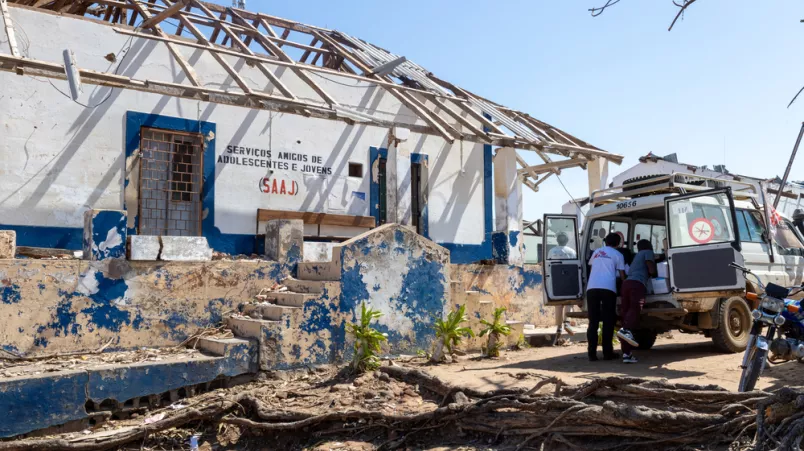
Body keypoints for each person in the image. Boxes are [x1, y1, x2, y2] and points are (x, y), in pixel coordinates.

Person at [586, 233, 626, 361]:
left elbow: (592, 268)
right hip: (608, 288)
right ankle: (607, 353)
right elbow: (622, 274)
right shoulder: (618, 255)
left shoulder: (597, 252)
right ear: (619, 243)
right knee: (608, 321)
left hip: (592, 288)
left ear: (605, 241)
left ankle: (591, 354)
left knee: (593, 322)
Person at [617, 239, 657, 364]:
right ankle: (625, 330)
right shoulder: (647, 252)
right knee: (635, 308)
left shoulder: (636, 256)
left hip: (627, 284)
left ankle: (627, 354)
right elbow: (651, 270)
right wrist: (655, 273)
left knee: (627, 315)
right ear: (648, 246)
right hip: (637, 284)